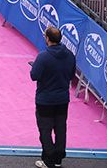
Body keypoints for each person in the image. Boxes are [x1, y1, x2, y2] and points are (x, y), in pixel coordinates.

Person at [31, 25, 75, 168]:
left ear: (48, 39)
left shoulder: (43, 57)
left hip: (45, 100)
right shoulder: (70, 55)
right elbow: (71, 75)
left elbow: (34, 75)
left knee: (45, 129)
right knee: (61, 128)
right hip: (62, 99)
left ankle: (48, 159)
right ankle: (58, 158)